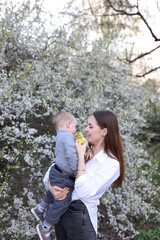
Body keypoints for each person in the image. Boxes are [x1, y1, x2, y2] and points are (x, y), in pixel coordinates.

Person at [49, 109, 124, 240]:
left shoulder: (111, 163)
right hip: (62, 212)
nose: (85, 130)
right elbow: (54, 169)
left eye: (90, 126)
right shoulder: (80, 147)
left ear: (104, 132)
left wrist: (80, 158)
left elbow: (84, 192)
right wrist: (51, 188)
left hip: (80, 216)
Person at [31, 110, 78, 240]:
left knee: (53, 192)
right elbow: (71, 156)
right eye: (75, 126)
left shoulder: (59, 136)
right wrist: (77, 169)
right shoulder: (68, 137)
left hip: (56, 172)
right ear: (68, 123)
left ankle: (40, 208)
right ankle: (45, 226)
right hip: (63, 175)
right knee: (62, 202)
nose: (76, 129)